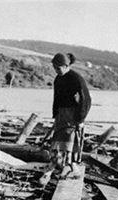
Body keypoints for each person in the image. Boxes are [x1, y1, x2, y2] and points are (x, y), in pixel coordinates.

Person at [40, 53, 91, 184]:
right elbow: (56, 98)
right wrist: (55, 114)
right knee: (57, 142)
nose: (56, 71)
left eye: (58, 68)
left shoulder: (76, 79)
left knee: (71, 143)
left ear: (66, 66)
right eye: (54, 68)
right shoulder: (58, 79)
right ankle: (58, 164)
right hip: (61, 115)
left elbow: (86, 100)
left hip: (73, 116)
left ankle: (72, 167)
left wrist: (80, 119)